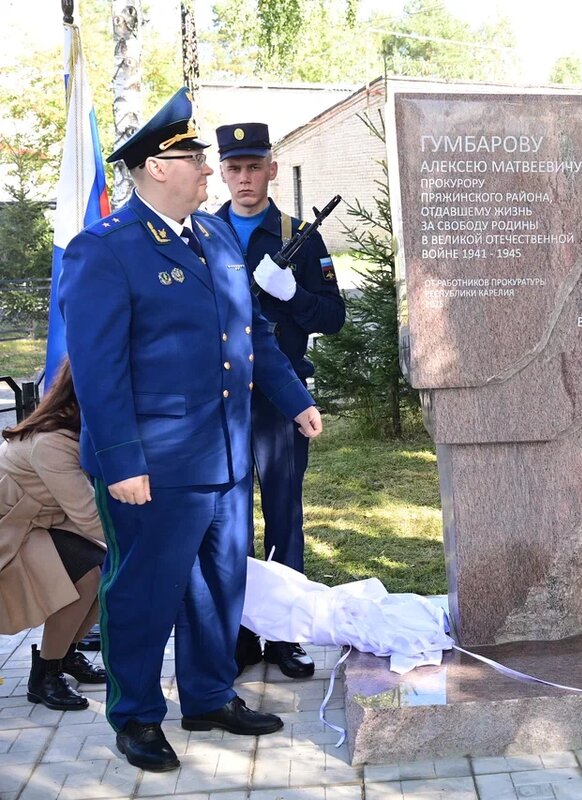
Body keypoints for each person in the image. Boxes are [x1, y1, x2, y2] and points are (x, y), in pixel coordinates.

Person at [58, 87, 323, 772]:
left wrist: (293, 399)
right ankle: (137, 715)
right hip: (154, 463)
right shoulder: (106, 251)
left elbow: (253, 332)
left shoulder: (209, 236)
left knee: (218, 585)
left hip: (226, 456)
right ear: (153, 168)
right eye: (196, 161)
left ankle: (208, 696)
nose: (211, 172)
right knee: (144, 591)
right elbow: (98, 370)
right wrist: (120, 460)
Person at [215, 122, 346, 679]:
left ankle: (284, 634)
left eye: (254, 167)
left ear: (272, 168)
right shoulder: (203, 230)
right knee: (229, 519)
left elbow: (333, 316)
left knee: (284, 514)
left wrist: (293, 297)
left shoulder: (299, 234)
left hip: (282, 398)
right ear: (222, 173)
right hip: (220, 398)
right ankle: (240, 631)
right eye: (233, 168)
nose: (244, 179)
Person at [0, 361, 107, 711]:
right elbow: (88, 515)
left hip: (31, 526)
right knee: (86, 573)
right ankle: (45, 675)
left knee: (100, 567)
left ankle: (63, 656)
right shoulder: (53, 442)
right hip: (9, 536)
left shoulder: (69, 428)